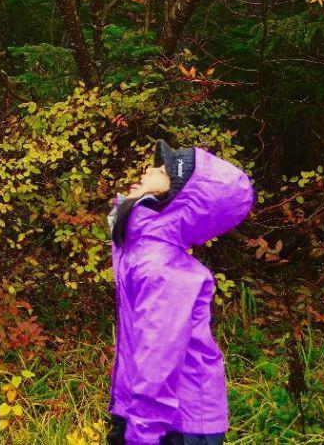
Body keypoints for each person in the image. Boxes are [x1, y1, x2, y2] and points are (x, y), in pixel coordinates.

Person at [105, 140, 255, 445]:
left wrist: (141, 434)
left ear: (179, 196)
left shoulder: (164, 269)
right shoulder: (144, 250)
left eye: (161, 170)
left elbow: (157, 362)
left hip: (175, 426)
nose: (147, 170)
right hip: (155, 417)